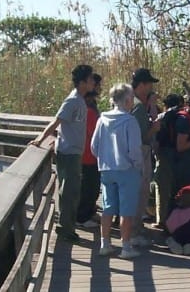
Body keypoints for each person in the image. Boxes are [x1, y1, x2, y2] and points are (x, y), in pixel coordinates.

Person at [30, 64, 95, 242]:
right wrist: (40, 139)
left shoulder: (80, 100)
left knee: (73, 191)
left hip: (75, 152)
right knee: (69, 192)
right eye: (90, 79)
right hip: (68, 153)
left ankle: (67, 226)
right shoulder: (73, 100)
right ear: (82, 82)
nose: (92, 82)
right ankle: (66, 229)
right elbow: (57, 121)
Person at [91, 83, 144, 259]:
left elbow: (94, 146)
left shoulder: (102, 119)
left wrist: (103, 158)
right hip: (127, 170)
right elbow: (134, 149)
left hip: (106, 169)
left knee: (108, 208)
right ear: (128, 100)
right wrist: (138, 165)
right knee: (126, 210)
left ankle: (105, 244)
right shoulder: (130, 121)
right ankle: (126, 247)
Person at [129, 68, 161, 247]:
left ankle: (133, 229)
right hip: (140, 153)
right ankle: (134, 232)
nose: (150, 88)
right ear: (141, 84)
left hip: (128, 155)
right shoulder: (139, 106)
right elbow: (142, 137)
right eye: (149, 84)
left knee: (132, 193)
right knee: (140, 192)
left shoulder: (127, 101)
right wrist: (154, 128)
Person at [152, 93, 184, 228]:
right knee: (178, 187)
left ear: (165, 105)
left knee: (162, 188)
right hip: (181, 156)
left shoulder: (163, 117)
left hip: (165, 153)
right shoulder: (183, 117)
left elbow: (156, 138)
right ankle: (177, 220)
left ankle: (162, 220)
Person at [76, 73, 103, 228]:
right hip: (87, 153)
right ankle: (82, 217)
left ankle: (89, 212)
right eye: (97, 85)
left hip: (90, 153)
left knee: (92, 185)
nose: (99, 88)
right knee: (87, 186)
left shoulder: (90, 105)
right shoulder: (87, 107)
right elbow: (92, 131)